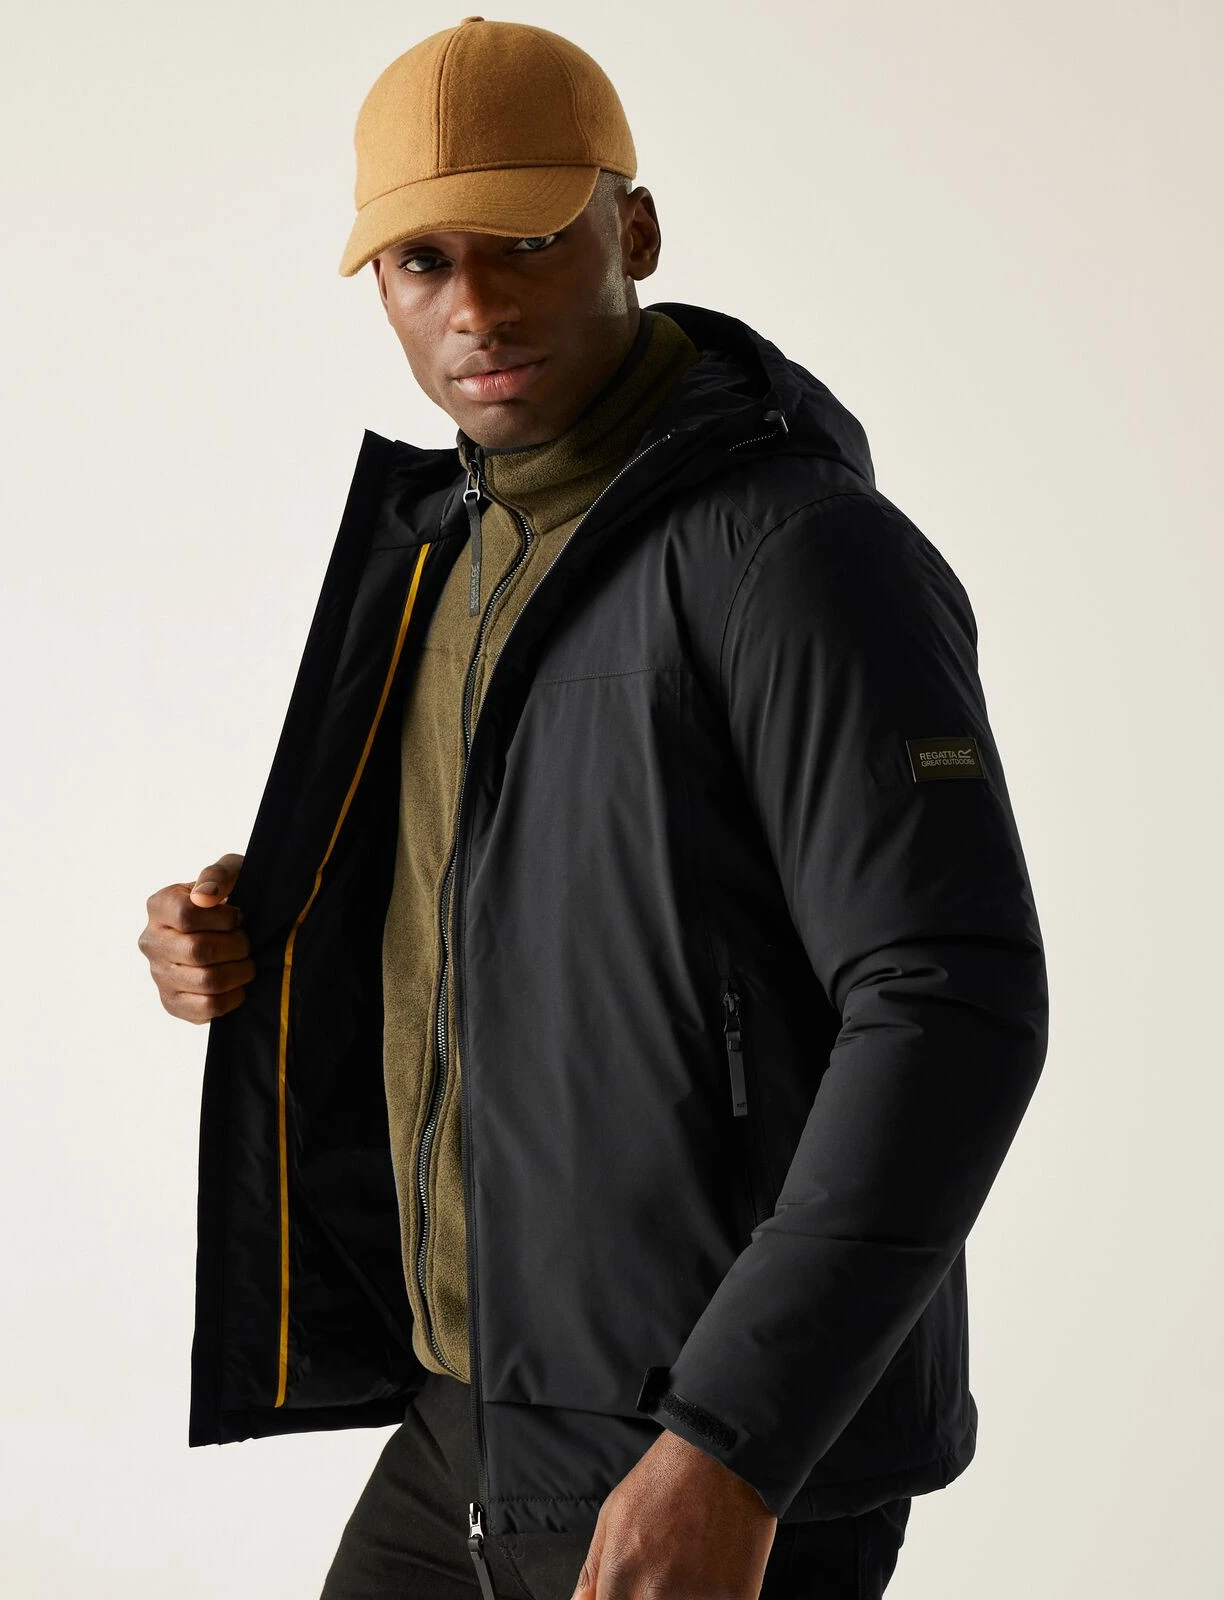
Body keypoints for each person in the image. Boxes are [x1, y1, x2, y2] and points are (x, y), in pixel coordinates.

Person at [137, 17, 1049, 1600]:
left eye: (529, 243)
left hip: (698, 1438)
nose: (476, 308)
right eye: (423, 261)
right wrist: (255, 937)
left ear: (634, 232)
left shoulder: (797, 558)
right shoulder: (450, 556)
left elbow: (949, 1001)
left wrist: (732, 1446)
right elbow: (525, 906)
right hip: (474, 1410)